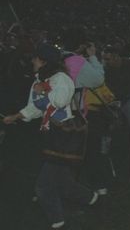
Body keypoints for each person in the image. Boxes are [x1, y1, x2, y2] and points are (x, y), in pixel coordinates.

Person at [3, 43, 99, 229]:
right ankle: (91, 199)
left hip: (64, 136)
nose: (32, 61)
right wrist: (16, 116)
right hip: (51, 135)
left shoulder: (61, 79)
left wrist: (41, 92)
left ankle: (58, 221)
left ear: (44, 61)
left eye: (36, 58)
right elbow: (35, 108)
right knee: (61, 180)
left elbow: (59, 100)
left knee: (44, 185)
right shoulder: (39, 80)